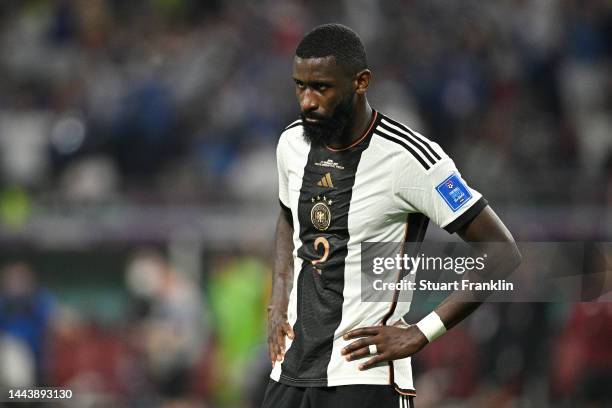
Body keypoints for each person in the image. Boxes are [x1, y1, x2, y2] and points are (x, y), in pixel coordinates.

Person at [262, 23, 521, 408]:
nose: (307, 101)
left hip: (364, 377)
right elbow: (288, 215)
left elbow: (502, 252)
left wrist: (421, 332)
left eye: (322, 87)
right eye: (300, 86)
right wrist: (279, 293)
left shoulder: (412, 159)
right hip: (289, 371)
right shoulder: (292, 142)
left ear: (361, 82)